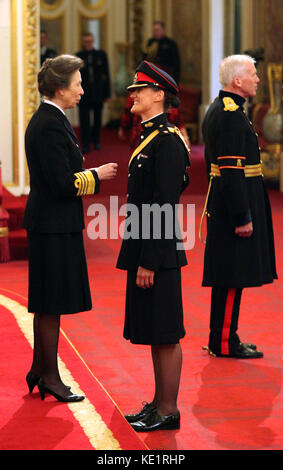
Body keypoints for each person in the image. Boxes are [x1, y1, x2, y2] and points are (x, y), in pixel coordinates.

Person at [23, 54, 118, 402]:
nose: (82, 89)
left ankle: (39, 369)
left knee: (49, 302)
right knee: (51, 302)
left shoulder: (53, 118)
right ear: (60, 88)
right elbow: (62, 184)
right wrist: (96, 176)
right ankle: (49, 376)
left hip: (54, 223)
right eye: (77, 83)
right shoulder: (48, 123)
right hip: (52, 225)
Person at [116, 60, 191, 431]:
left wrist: (148, 260)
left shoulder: (166, 141)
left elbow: (163, 204)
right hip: (148, 244)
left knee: (165, 331)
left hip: (158, 251)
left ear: (158, 95)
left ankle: (168, 410)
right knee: (154, 330)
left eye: (139, 90)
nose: (133, 95)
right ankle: (159, 404)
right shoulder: (151, 136)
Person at [200, 54, 277, 359]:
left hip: (231, 198)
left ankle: (226, 336)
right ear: (238, 81)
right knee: (232, 275)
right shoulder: (230, 114)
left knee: (230, 275)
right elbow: (231, 170)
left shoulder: (227, 108)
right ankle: (223, 342)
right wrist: (243, 216)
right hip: (235, 201)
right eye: (253, 74)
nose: (257, 78)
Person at [76, 33, 110, 152]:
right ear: (83, 42)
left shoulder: (101, 55)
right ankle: (85, 144)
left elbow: (106, 75)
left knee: (97, 118)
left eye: (90, 41)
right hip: (83, 93)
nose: (88, 44)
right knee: (84, 119)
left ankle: (96, 141)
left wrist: (107, 94)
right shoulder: (78, 56)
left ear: (93, 41)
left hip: (98, 92)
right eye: (86, 41)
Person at [118, 94, 190, 149]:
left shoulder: (165, 97)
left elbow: (176, 119)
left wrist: (185, 137)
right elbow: (127, 114)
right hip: (140, 137)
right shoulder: (134, 97)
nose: (133, 94)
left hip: (161, 139)